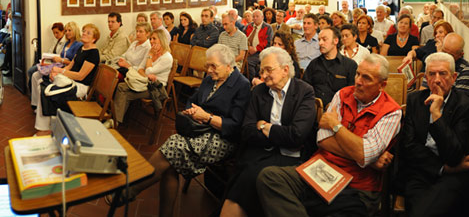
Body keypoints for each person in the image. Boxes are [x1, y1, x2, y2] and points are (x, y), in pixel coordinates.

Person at [257, 54, 402, 216]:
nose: (358, 81)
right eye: (357, 74)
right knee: (269, 177)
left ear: (382, 85)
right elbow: (323, 140)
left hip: (356, 185)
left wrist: (336, 126)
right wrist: (365, 156)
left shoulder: (391, 112)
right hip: (321, 170)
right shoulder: (342, 94)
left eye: (366, 78)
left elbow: (364, 154)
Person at [121, 44, 251, 217]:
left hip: (222, 138)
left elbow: (235, 126)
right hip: (199, 129)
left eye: (214, 66)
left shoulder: (241, 85)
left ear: (229, 66)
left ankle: (130, 189)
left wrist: (207, 117)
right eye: (208, 65)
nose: (209, 70)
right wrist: (191, 111)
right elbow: (192, 100)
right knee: (170, 164)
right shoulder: (211, 77)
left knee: (173, 145)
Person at [222, 47, 317, 217]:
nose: (263, 76)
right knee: (244, 173)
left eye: (268, 70)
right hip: (260, 152)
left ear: (285, 70)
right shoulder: (260, 91)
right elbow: (247, 130)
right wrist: (278, 134)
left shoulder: (304, 92)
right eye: (261, 70)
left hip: (290, 157)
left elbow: (296, 136)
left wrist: (264, 126)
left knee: (249, 177)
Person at [398, 52, 469, 216]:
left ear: (454, 77)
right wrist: (444, 168)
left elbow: (455, 153)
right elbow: (409, 146)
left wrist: (436, 115)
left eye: (443, 73)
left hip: (453, 177)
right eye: (432, 74)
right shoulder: (415, 100)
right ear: (426, 76)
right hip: (420, 171)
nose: (437, 79)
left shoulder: (464, 105)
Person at [34, 24, 101, 135]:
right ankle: (45, 126)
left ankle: (46, 129)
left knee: (48, 92)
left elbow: (80, 76)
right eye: (84, 31)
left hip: (80, 86)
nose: (84, 33)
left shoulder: (93, 53)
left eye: (88, 33)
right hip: (71, 80)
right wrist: (56, 72)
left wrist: (61, 72)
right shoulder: (82, 48)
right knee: (42, 85)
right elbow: (70, 66)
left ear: (94, 39)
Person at [112, 29, 173, 124]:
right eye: (151, 38)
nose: (151, 41)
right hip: (144, 81)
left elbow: (149, 70)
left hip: (155, 88)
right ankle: (116, 120)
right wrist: (146, 76)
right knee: (120, 86)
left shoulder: (167, 57)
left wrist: (149, 56)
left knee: (123, 91)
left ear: (161, 40)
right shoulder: (151, 51)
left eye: (154, 39)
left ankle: (115, 120)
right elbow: (141, 68)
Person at [30, 22, 83, 109]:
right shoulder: (67, 43)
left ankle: (45, 105)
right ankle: (35, 104)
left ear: (75, 31)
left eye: (70, 30)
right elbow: (60, 57)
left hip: (65, 68)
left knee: (39, 79)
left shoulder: (78, 45)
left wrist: (61, 61)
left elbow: (75, 63)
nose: (67, 33)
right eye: (66, 31)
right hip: (59, 65)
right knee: (35, 75)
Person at [303, 27, 358, 108]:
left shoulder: (350, 65)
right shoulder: (314, 64)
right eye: (319, 40)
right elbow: (305, 89)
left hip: (340, 110)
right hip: (314, 109)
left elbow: (353, 94)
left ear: (335, 41)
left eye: (324, 40)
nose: (320, 43)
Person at [421, 33, 469, 98]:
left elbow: (461, 101)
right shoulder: (434, 63)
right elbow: (422, 92)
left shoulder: (465, 70)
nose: (446, 56)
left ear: (460, 55)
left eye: (450, 55)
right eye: (444, 51)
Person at [27, 22, 66, 103]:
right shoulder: (56, 40)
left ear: (63, 31)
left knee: (32, 72)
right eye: (54, 33)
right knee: (30, 71)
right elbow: (50, 51)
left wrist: (52, 58)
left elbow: (61, 56)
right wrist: (46, 57)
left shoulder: (65, 43)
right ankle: (33, 94)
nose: (55, 35)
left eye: (57, 33)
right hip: (50, 62)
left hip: (56, 64)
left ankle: (33, 96)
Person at [245, 10, 273, 78]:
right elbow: (243, 38)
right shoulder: (249, 26)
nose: (255, 18)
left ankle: (252, 82)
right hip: (247, 50)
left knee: (248, 63)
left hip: (260, 52)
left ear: (262, 17)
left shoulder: (267, 27)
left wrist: (256, 49)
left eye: (257, 16)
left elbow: (268, 43)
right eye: (253, 16)